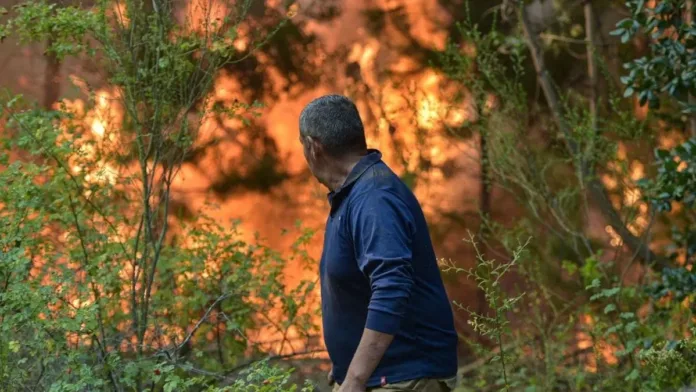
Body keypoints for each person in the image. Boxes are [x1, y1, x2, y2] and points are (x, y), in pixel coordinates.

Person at [298, 95, 459, 392]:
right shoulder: (357, 193)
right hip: (376, 378)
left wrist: (355, 380)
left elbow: (391, 288)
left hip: (403, 379)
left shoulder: (374, 198)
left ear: (313, 147)